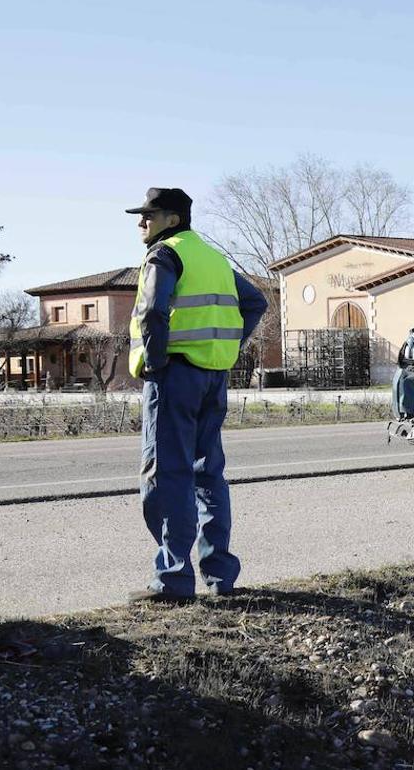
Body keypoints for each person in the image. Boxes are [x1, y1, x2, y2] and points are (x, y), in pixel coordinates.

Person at [125, 187, 267, 603]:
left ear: (173, 219)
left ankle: (171, 581)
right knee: (208, 475)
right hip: (212, 377)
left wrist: (154, 361)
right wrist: (226, 348)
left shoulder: (165, 254)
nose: (141, 222)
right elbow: (255, 302)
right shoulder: (213, 257)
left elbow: (152, 311)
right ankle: (220, 578)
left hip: (174, 376)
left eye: (149, 215)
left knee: (167, 474)